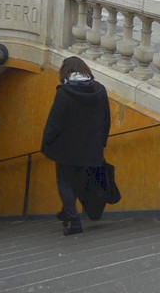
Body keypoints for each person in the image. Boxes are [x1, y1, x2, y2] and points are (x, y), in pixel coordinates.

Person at [41, 56, 111, 236]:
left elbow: (55, 122)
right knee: (78, 180)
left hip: (67, 148)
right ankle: (67, 212)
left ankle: (74, 221)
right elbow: (106, 119)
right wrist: (101, 142)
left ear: (65, 72)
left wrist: (48, 140)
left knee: (65, 181)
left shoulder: (65, 93)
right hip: (91, 147)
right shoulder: (100, 90)